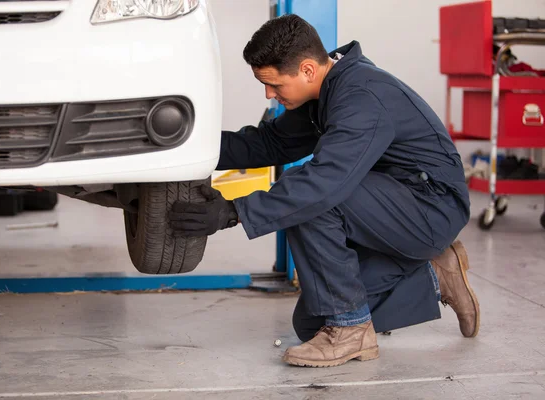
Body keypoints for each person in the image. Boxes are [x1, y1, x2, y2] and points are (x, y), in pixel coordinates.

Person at [169, 14, 480, 368]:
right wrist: (189, 146)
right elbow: (270, 143)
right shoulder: (327, 90)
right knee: (311, 323)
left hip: (431, 208)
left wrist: (233, 211)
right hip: (394, 207)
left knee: (311, 196)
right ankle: (436, 276)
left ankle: (351, 331)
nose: (269, 94)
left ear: (306, 70)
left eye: (273, 84)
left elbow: (325, 184)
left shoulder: (361, 97)